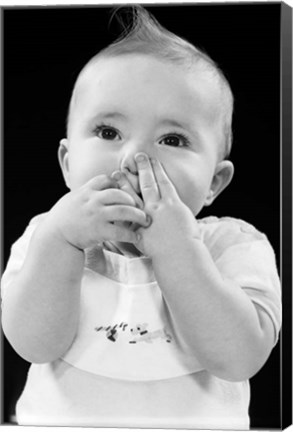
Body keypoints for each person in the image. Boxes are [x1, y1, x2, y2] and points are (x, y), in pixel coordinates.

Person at [1, 6, 281, 429]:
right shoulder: (49, 235)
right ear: (67, 162)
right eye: (108, 132)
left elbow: (239, 356)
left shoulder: (232, 246)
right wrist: (61, 244)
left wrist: (178, 249)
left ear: (214, 183)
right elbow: (32, 344)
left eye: (172, 139)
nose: (134, 157)